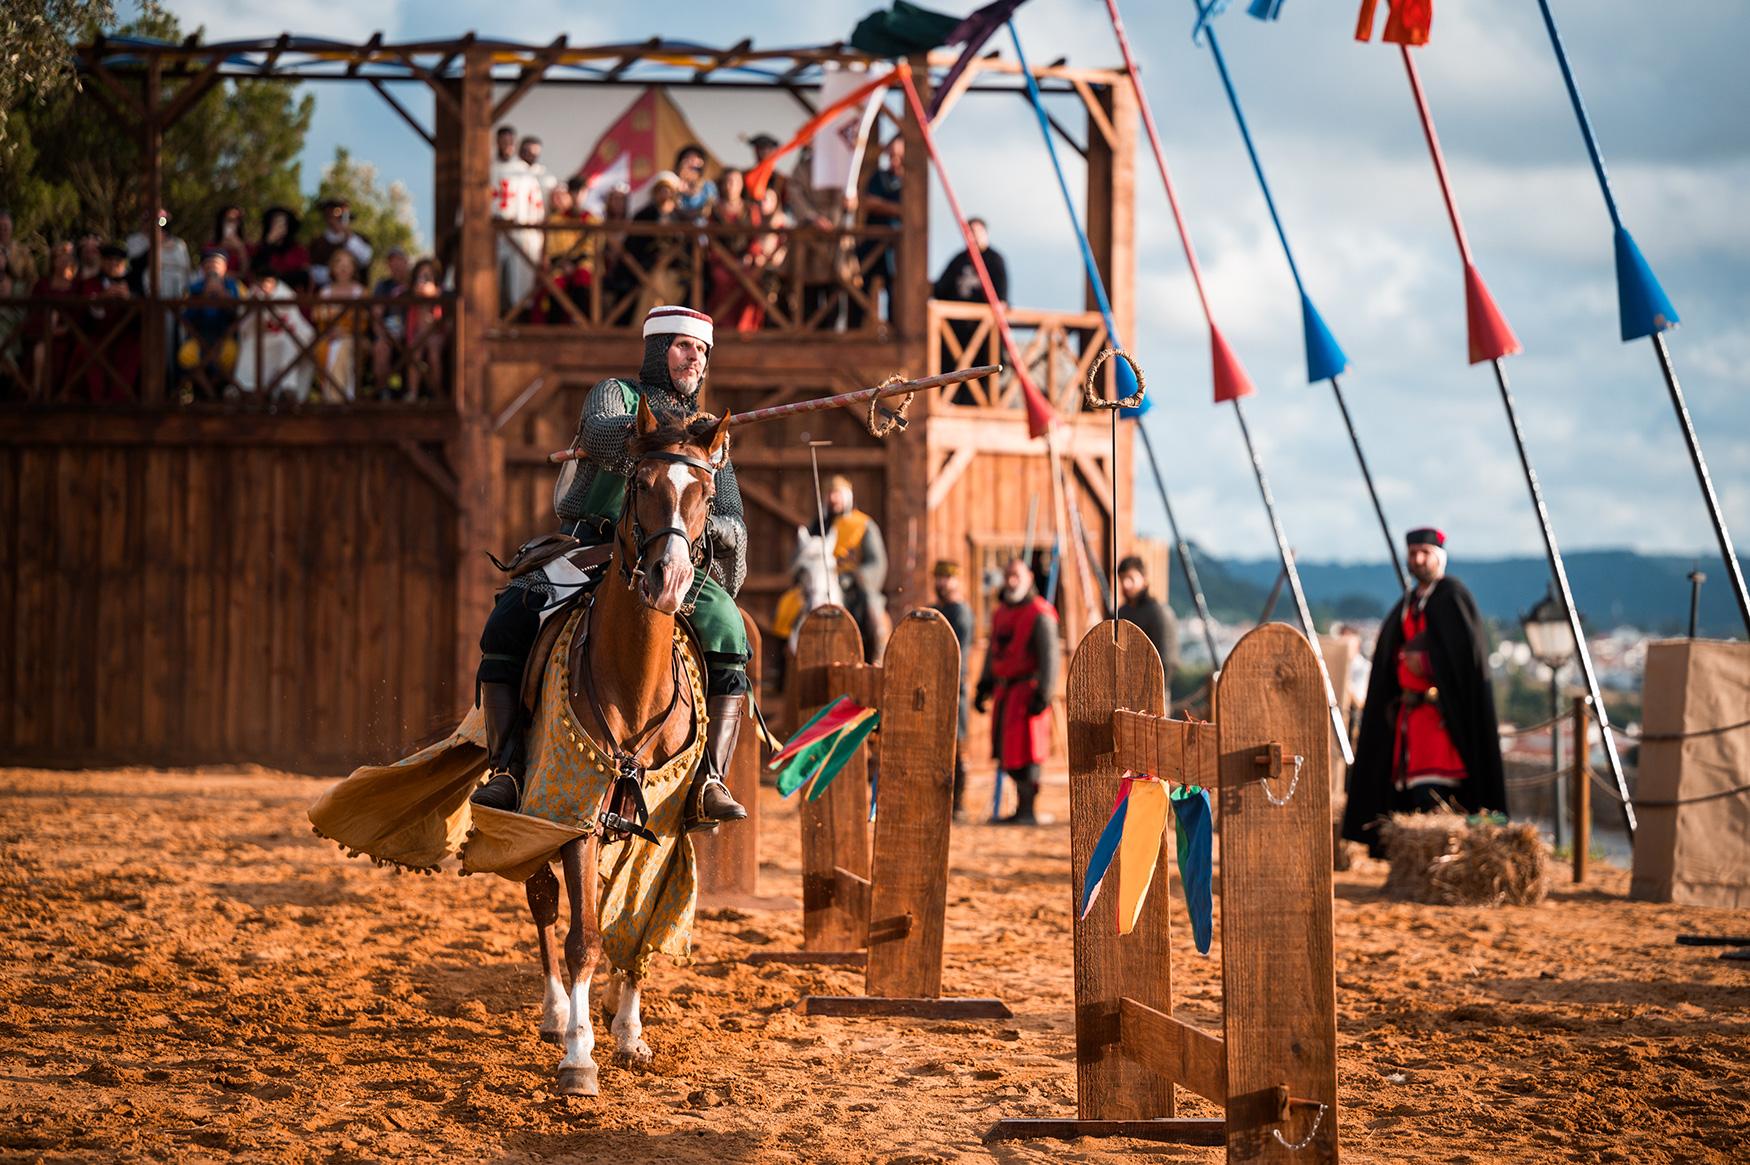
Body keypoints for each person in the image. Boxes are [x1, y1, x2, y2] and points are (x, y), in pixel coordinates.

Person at [471, 305, 751, 835]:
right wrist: (666, 435)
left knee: (730, 630)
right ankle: (506, 769)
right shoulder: (617, 396)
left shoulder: (710, 439)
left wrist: (706, 521)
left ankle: (710, 780)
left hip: (673, 557)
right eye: (683, 346)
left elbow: (734, 522)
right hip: (594, 546)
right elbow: (602, 435)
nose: (695, 358)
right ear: (657, 350)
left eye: (703, 351)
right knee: (510, 617)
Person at [1341, 528, 1509, 856]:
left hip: (1443, 721)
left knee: (1440, 790)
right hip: (1410, 719)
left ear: (1439, 557)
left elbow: (1462, 658)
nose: (1417, 559)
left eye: (1425, 553)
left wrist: (1429, 661)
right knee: (1412, 792)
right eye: (1413, 552)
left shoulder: (1452, 596)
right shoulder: (1410, 602)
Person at [975, 557, 1060, 825]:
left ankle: (1027, 810)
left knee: (1028, 752)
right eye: (1009, 575)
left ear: (1029, 579)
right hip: (1006, 692)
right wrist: (984, 684)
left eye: (1017, 576)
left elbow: (1050, 658)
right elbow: (993, 651)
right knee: (1007, 751)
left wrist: (1044, 695)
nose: (1012, 581)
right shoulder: (1001, 612)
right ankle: (1020, 810)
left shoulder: (1040, 613)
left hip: (1028, 692)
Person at [805, 475, 889, 661]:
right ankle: (783, 665)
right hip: (819, 583)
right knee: (789, 606)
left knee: (871, 608)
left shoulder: (863, 525)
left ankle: (877, 653)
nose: (833, 499)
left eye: (837, 494)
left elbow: (877, 562)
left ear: (847, 497)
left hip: (854, 586)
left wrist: (855, 577)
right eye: (830, 494)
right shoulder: (818, 526)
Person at [932, 560, 975, 819]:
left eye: (946, 578)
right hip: (936, 684)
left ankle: (958, 804)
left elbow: (957, 650)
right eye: (938, 578)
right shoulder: (937, 609)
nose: (941, 583)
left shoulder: (960, 612)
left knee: (958, 745)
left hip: (955, 684)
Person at [491, 127, 545, 318]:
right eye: (502, 141)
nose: (506, 146)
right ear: (496, 142)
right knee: (491, 281)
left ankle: (517, 318)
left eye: (510, 142)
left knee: (519, 282)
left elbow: (536, 210)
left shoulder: (524, 173)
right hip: (494, 236)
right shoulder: (487, 168)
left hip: (519, 237)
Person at [178, 247, 241, 396]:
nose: (212, 267)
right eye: (209, 264)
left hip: (224, 337)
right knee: (187, 355)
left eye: (216, 264)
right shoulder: (193, 288)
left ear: (225, 267)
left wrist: (224, 296)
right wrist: (202, 298)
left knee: (230, 355)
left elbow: (238, 315)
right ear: (203, 268)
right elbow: (186, 317)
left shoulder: (233, 286)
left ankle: (220, 392)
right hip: (199, 337)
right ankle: (205, 393)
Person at [83, 243, 140, 403]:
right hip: (98, 335)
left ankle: (124, 400)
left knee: (132, 353)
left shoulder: (134, 283)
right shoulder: (90, 283)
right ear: (102, 262)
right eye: (109, 260)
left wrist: (129, 299)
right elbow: (85, 315)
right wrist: (102, 298)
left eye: (118, 261)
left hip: (126, 337)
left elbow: (142, 315)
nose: (113, 264)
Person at [1115, 555, 1178, 692]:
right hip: (1124, 690)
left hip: (1153, 691)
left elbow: (1167, 659)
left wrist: (1155, 691)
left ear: (1144, 579)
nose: (1126, 584)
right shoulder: (1121, 612)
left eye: (1131, 578)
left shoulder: (1158, 612)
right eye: (1122, 579)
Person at [307, 197, 373, 289]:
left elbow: (365, 259)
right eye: (329, 214)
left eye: (339, 213)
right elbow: (314, 273)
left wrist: (347, 234)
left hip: (356, 297)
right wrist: (336, 272)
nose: (334, 218)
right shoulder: (317, 243)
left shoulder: (361, 239)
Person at [250, 206, 310, 291]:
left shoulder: (298, 250)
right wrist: (268, 243)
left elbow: (305, 275)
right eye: (275, 223)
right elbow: (254, 270)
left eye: (282, 223)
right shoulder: (259, 248)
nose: (278, 227)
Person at [674, 144, 718, 222]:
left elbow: (707, 210)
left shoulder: (708, 187)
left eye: (694, 168)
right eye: (687, 159)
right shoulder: (673, 183)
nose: (691, 162)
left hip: (700, 230)